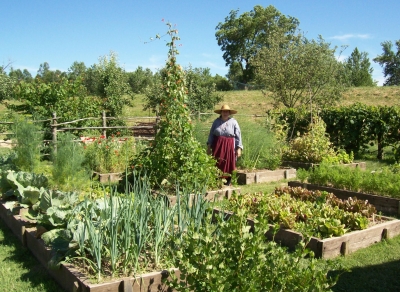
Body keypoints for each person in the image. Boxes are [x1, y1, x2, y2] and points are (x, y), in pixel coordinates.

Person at [207, 104, 243, 185]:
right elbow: (211, 134)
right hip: (218, 145)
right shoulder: (216, 122)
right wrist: (209, 146)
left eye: (227, 111)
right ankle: (217, 181)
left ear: (229, 113)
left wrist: (239, 148)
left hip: (229, 146)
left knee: (229, 162)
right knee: (218, 162)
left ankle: (228, 182)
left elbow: (238, 135)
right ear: (221, 112)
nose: (225, 113)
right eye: (224, 111)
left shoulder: (233, 122)